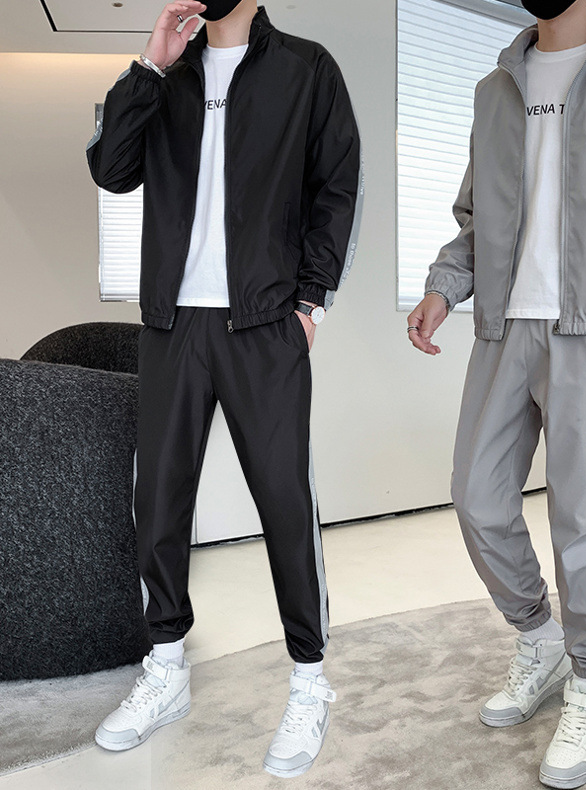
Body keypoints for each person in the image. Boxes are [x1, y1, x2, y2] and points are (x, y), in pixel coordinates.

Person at [407, 1, 586, 786]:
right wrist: (444, 286)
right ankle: (540, 636)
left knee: (581, 517)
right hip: (504, 324)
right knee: (476, 496)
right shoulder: (496, 87)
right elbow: (476, 217)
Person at [86, 0, 361, 778]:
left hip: (264, 324)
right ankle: (166, 665)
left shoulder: (306, 68)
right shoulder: (166, 76)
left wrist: (310, 303)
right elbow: (111, 168)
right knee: (157, 503)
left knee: (284, 502)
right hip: (172, 324)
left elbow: (336, 187)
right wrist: (151, 65)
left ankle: (309, 681)